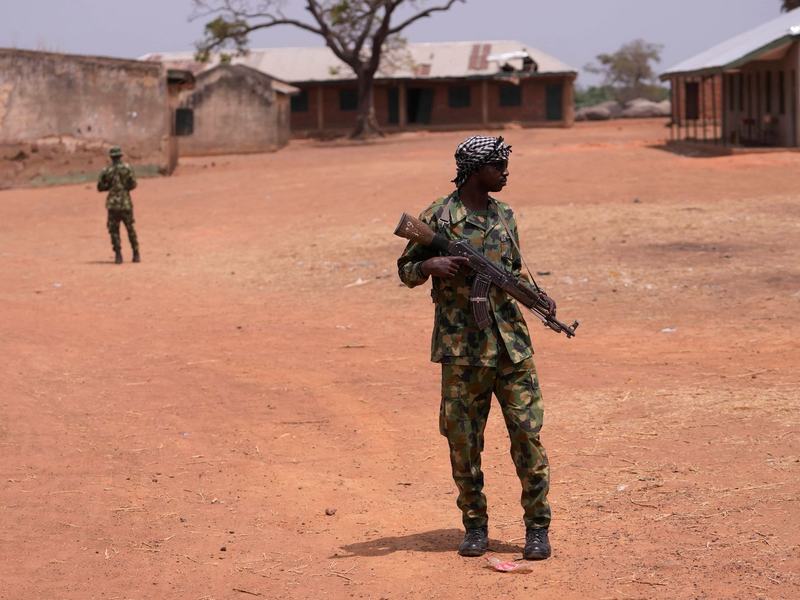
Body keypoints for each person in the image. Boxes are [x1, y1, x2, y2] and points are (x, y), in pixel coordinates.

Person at [397, 135, 554, 560]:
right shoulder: (439, 216)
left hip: (512, 348)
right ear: (475, 170)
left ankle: (537, 529)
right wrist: (429, 265)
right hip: (462, 351)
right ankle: (475, 526)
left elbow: (513, 272)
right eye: (498, 165)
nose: (505, 172)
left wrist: (538, 298)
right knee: (464, 442)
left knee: (528, 436)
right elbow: (406, 270)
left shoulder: (505, 215)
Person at [97, 146, 140, 264]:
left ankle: (118, 255)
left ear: (111, 157)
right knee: (130, 228)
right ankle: (136, 253)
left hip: (112, 204)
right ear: (120, 156)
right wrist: (124, 188)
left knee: (114, 230)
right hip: (125, 203)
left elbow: (100, 186)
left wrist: (110, 187)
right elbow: (133, 184)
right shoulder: (127, 168)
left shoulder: (107, 170)